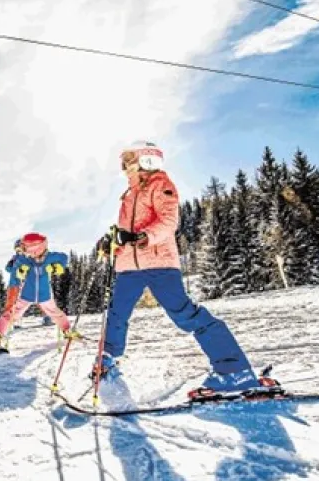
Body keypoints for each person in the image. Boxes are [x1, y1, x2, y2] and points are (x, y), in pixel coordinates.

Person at [94, 141, 277, 397]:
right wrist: (113, 242)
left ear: (146, 160)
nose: (124, 166)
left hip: (159, 263)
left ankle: (234, 371)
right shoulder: (128, 195)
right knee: (116, 313)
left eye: (129, 159)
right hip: (128, 266)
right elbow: (126, 234)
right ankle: (107, 359)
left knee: (185, 315)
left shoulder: (161, 185)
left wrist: (141, 237)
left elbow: (168, 222)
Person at [0, 233, 80, 349]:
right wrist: (19, 270)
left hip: (44, 295)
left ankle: (67, 330)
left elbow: (64, 257)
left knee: (56, 314)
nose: (23, 250)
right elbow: (14, 266)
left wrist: (57, 267)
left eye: (25, 247)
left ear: (36, 248)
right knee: (13, 313)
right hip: (26, 294)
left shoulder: (50, 257)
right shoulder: (25, 259)